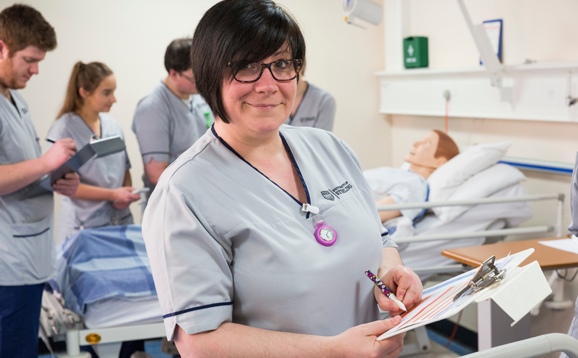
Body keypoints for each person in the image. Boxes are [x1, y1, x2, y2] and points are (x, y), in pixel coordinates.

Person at [142, 1, 423, 357]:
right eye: (245, 67)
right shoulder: (183, 192)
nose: (267, 85)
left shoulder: (331, 148)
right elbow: (200, 342)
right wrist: (334, 351)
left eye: (281, 65)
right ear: (210, 74)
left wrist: (392, 271)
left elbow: (379, 238)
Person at [0, 5, 80, 358]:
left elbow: (21, 169)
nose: (35, 70)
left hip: (29, 253)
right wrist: (46, 161)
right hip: (7, 265)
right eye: (29, 60)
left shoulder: (16, 100)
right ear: (1, 48)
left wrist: (56, 178)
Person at [47, 62, 140, 244]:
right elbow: (64, 185)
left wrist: (124, 195)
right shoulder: (63, 129)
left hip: (119, 220)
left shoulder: (113, 126)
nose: (114, 99)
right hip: (84, 226)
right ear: (84, 93)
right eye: (107, 93)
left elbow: (125, 169)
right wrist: (113, 195)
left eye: (114, 92)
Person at [132, 38, 214, 197]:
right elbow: (157, 174)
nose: (202, 82)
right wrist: (203, 187)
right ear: (174, 74)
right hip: (174, 202)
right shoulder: (152, 108)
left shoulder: (198, 97)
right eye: (194, 78)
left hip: (203, 192)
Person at [366, 130, 460, 223]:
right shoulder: (404, 175)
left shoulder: (415, 186)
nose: (415, 143)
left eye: (426, 143)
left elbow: (368, 216)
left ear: (440, 163)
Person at [284, 60, 336, 131]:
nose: (288, 74)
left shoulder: (324, 100)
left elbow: (320, 140)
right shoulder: (272, 97)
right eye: (281, 65)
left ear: (303, 65)